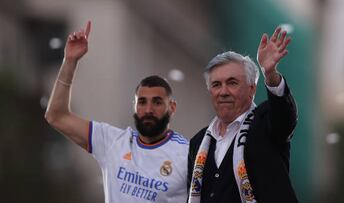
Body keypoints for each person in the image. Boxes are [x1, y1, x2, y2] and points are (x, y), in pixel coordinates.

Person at [45, 21, 188, 203]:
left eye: (157, 102)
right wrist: (70, 62)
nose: (149, 110)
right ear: (134, 106)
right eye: (142, 102)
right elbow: (57, 116)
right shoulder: (112, 142)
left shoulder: (188, 156)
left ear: (172, 108)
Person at [187, 27, 299, 203]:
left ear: (252, 89)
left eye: (232, 83)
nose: (223, 91)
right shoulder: (198, 142)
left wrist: (270, 75)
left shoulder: (265, 122)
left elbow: (284, 117)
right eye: (216, 85)